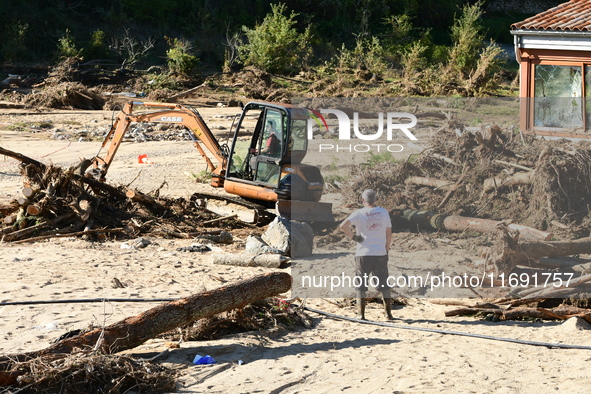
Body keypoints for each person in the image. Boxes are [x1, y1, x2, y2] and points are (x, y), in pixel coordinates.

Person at [339, 189, 393, 320]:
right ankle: (388, 313)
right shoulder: (383, 212)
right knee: (384, 283)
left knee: (361, 283)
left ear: (363, 200)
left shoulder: (359, 213)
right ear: (375, 199)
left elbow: (343, 226)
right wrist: (386, 249)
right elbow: (389, 233)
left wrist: (355, 238)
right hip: (380, 252)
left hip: (363, 253)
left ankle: (361, 314)